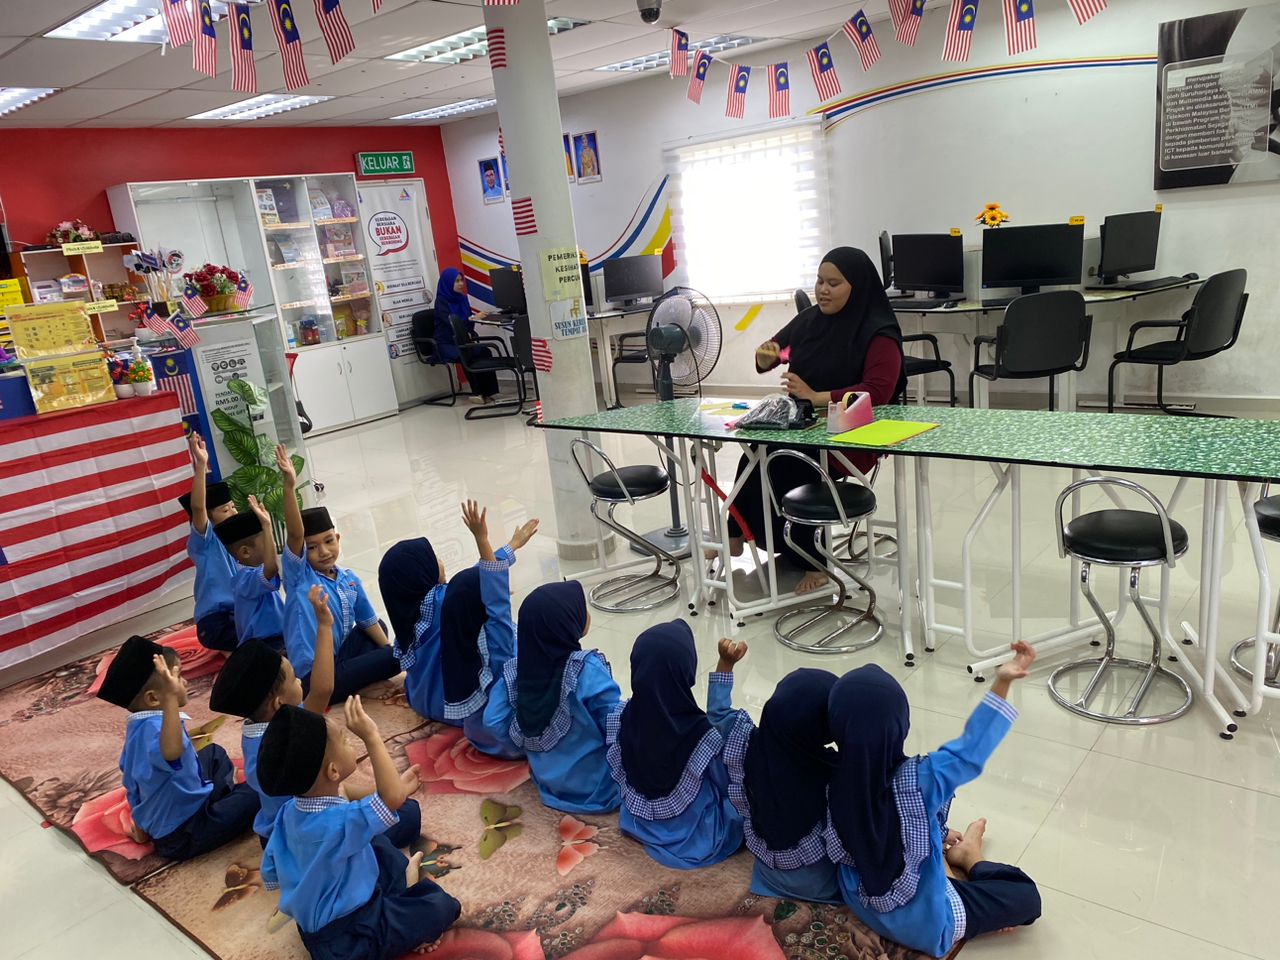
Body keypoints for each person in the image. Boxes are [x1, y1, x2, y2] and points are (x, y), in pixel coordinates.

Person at [824, 644, 1042, 958]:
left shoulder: (830, 775)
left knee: (907, 829)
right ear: (902, 726)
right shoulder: (922, 780)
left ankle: (947, 853)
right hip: (926, 924)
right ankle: (970, 858)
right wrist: (1002, 682)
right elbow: (969, 752)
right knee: (1026, 896)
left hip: (859, 900)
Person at [728, 247, 905, 594]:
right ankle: (737, 534)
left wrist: (816, 396)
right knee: (754, 452)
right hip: (803, 425)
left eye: (834, 283)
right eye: (820, 281)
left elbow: (876, 392)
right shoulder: (810, 321)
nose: (823, 290)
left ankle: (815, 561)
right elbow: (776, 352)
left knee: (790, 463)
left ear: (856, 287)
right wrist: (769, 354)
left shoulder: (878, 333)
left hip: (851, 434)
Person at [258, 699, 460, 960]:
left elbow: (271, 866)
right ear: (333, 771)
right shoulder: (342, 821)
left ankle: (400, 903)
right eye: (344, 740)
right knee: (439, 907)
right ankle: (405, 908)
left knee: (375, 837)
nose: (349, 742)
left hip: (320, 924)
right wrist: (371, 736)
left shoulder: (289, 810)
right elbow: (393, 798)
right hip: (349, 940)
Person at [97, 635, 259, 861]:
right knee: (259, 792)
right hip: (184, 833)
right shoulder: (158, 730)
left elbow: (133, 785)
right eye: (178, 677)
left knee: (213, 752)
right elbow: (172, 752)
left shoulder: (138, 727)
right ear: (154, 698)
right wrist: (171, 699)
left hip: (184, 802)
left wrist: (141, 829)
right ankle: (223, 805)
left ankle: (220, 800)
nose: (184, 683)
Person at [378, 501, 537, 729]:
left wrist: (513, 546)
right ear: (423, 570)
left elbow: (474, 576)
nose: (441, 561)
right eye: (435, 557)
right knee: (514, 637)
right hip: (460, 707)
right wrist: (489, 584)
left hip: (422, 699)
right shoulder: (447, 599)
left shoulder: (407, 608)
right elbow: (477, 577)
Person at [208, 586, 343, 845]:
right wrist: (324, 627)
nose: (300, 682)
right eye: (294, 679)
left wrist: (324, 626)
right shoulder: (287, 738)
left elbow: (320, 691)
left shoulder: (260, 724)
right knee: (405, 817)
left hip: (274, 833)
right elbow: (322, 690)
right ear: (278, 703)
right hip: (306, 837)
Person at [605, 622, 744, 869]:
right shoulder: (702, 735)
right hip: (693, 840)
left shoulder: (622, 715)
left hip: (637, 823)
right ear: (687, 671)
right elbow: (728, 785)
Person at [482, 581, 621, 813]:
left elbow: (493, 721)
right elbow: (616, 726)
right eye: (580, 610)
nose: (586, 615)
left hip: (547, 784)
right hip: (599, 789)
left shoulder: (515, 671)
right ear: (566, 624)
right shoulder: (586, 669)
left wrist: (527, 745)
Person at [277, 447, 399, 703]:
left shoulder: (348, 579)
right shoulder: (299, 577)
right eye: (312, 547)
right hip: (314, 678)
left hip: (340, 657)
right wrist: (289, 486)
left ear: (338, 538)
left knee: (379, 629)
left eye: (329, 541)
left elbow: (367, 621)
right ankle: (359, 684)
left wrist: (386, 654)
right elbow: (296, 535)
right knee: (398, 654)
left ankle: (360, 681)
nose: (323, 552)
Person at [719, 667, 841, 903]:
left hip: (766, 874)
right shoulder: (832, 769)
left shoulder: (745, 744)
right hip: (819, 883)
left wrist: (725, 665)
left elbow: (719, 714)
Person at [440, 501, 538, 757]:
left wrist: (512, 544)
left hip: (477, 736)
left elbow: (480, 577)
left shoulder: (457, 626)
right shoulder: (495, 642)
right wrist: (481, 539)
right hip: (508, 741)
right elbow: (497, 605)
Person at [180, 434, 240, 651]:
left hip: (239, 613)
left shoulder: (236, 537)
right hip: (215, 621)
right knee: (256, 639)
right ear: (210, 516)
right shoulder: (206, 540)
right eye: (225, 510)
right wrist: (201, 465)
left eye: (233, 507)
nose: (233, 512)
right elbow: (198, 507)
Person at [214, 495, 284, 651]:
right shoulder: (244, 579)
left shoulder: (254, 571)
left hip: (276, 639)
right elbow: (271, 569)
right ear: (245, 552)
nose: (272, 544)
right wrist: (266, 526)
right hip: (265, 645)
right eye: (267, 541)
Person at [432, 269, 498, 403]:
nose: (461, 283)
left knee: (485, 351)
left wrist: (474, 319)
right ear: (448, 283)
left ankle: (488, 392)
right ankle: (477, 393)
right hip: (446, 343)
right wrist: (472, 318)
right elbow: (451, 323)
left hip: (462, 340)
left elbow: (468, 324)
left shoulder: (462, 298)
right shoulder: (441, 301)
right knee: (466, 354)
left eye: (461, 280)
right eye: (457, 281)